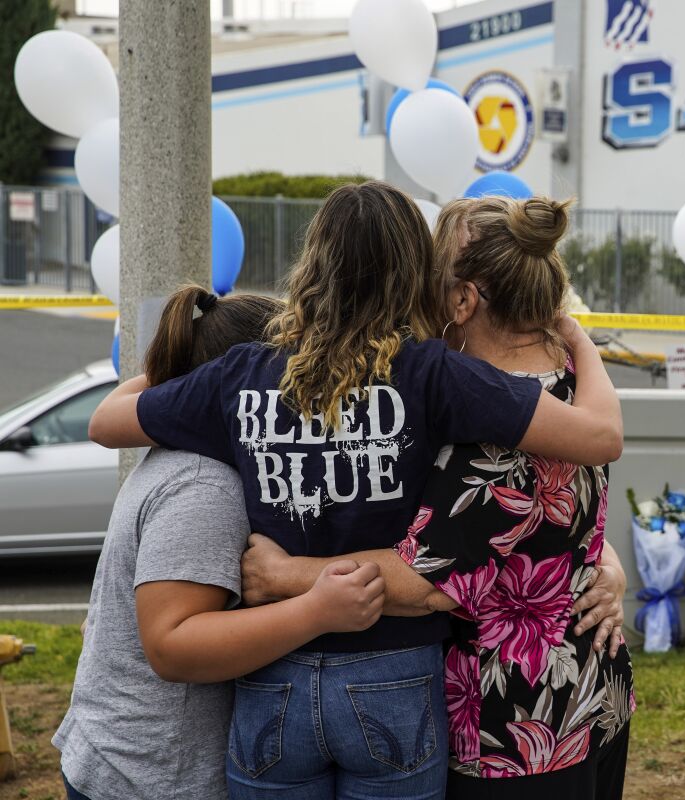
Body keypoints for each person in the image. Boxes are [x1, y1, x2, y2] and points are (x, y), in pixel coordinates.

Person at [87, 181, 624, 798]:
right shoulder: (433, 372)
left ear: (312, 263)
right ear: (414, 274)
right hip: (394, 674)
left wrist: (184, 358)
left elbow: (106, 422)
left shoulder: (242, 373)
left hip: (274, 670)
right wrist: (578, 338)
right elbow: (594, 438)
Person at [239, 196, 634, 800]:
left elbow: (427, 584)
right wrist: (607, 563)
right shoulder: (572, 390)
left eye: (430, 279)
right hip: (584, 699)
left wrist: (285, 574)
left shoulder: (497, 441)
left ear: (463, 301)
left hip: (514, 731)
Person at [54, 286, 387, 800]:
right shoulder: (206, 486)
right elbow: (172, 646)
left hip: (127, 761)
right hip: (151, 777)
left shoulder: (184, 457)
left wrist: (197, 360)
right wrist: (318, 611)